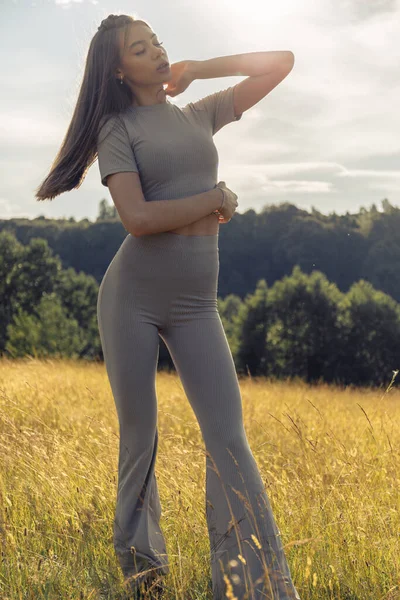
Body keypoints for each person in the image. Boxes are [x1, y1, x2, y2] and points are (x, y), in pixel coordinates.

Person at [35, 12, 301, 600]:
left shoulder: (197, 115)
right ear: (118, 68)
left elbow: (280, 62)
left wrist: (200, 70)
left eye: (156, 42)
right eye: (140, 48)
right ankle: (144, 577)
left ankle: (248, 586)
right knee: (141, 435)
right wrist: (215, 197)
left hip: (196, 303)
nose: (156, 51)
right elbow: (138, 218)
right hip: (131, 295)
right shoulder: (116, 129)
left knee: (228, 435)